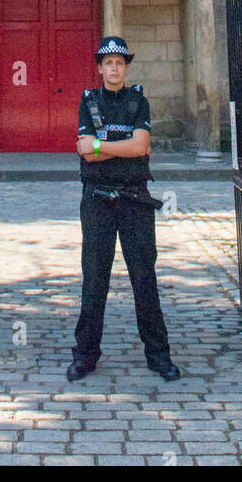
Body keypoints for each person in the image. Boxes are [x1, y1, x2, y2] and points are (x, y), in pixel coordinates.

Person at [67, 35, 181, 383]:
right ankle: (85, 356)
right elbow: (85, 152)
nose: (114, 68)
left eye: (119, 63)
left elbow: (141, 147)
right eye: (108, 63)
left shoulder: (138, 102)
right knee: (95, 279)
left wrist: (102, 144)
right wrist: (119, 145)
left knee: (144, 278)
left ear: (125, 67)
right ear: (99, 68)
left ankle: (159, 355)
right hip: (98, 199)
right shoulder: (88, 102)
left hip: (135, 200)